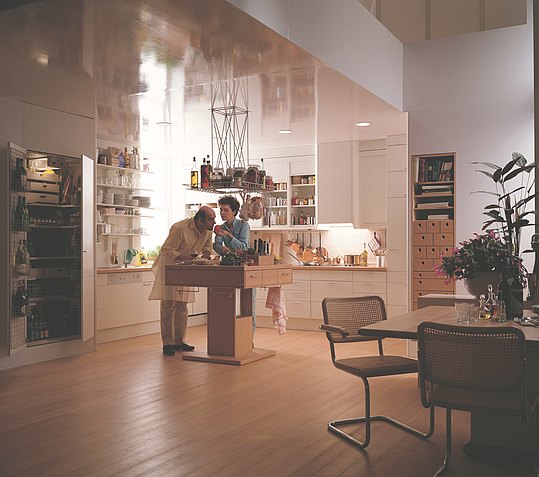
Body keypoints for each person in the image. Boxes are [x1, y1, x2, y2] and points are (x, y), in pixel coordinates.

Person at [149, 206, 216, 356]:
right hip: (170, 266)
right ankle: (167, 343)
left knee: (182, 304)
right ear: (200, 220)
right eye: (211, 219)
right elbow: (166, 250)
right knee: (168, 304)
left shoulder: (208, 231)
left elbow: (207, 247)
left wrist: (205, 254)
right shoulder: (180, 228)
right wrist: (183, 257)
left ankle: (179, 341)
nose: (214, 222)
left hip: (186, 268)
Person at [213, 195, 256, 339]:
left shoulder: (244, 225)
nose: (222, 213)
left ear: (234, 211)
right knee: (225, 302)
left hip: (245, 266)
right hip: (229, 266)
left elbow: (244, 247)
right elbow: (217, 244)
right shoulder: (221, 227)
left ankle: (248, 339)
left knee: (249, 305)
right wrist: (221, 249)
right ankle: (226, 337)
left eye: (226, 210)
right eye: (221, 210)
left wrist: (229, 236)